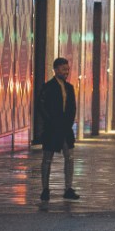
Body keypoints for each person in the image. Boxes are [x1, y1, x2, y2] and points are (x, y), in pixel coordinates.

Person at [36, 57, 79, 202]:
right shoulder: (48, 87)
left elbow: (72, 108)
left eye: (67, 69)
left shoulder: (70, 87)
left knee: (70, 157)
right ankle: (45, 189)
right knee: (47, 159)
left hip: (66, 129)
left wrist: (68, 123)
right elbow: (41, 107)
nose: (66, 72)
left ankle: (68, 188)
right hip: (52, 129)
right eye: (63, 69)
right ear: (56, 70)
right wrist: (50, 121)